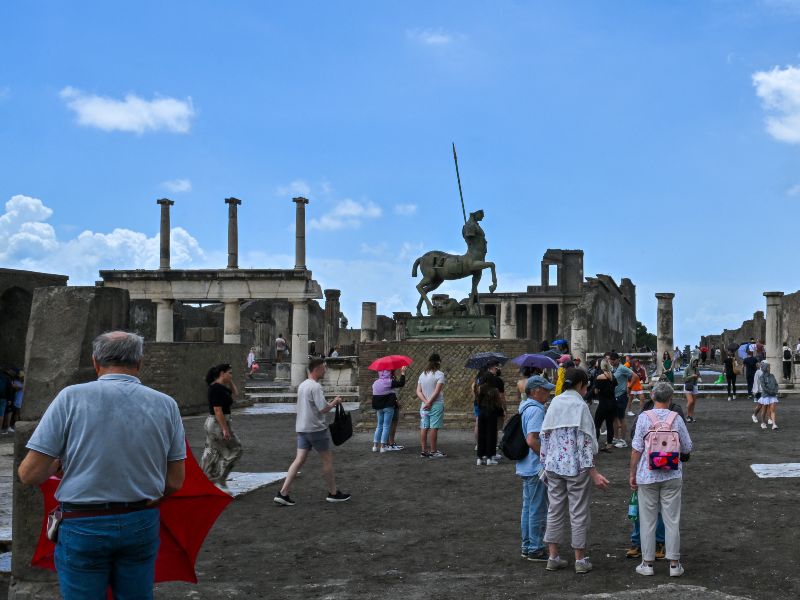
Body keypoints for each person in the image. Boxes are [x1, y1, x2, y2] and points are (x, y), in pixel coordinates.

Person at [18, 331, 186, 600]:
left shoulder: (70, 398)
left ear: (95, 362)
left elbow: (29, 474)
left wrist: (59, 463)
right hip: (139, 519)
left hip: (83, 521)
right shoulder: (166, 405)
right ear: (139, 362)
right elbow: (176, 481)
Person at [540, 368, 610, 574]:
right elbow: (585, 442)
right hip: (576, 467)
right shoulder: (580, 406)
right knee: (578, 512)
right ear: (580, 385)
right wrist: (593, 472)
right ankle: (580, 560)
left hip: (553, 465)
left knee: (554, 510)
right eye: (586, 386)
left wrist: (544, 463)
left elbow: (545, 435)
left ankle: (553, 557)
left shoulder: (554, 403)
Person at [629, 382, 693, 578]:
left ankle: (647, 563)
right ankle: (674, 563)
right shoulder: (677, 418)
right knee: (671, 519)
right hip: (672, 474)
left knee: (647, 520)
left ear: (652, 397)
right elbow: (687, 447)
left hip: (647, 474)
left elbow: (636, 449)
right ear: (671, 398)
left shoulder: (643, 418)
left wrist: (632, 474)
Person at [274, 358, 350, 505]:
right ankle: (333, 493)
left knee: (299, 459)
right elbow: (323, 408)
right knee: (327, 460)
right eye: (323, 368)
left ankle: (283, 492)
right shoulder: (315, 387)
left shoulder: (302, 385)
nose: (325, 371)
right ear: (317, 369)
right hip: (315, 429)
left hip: (302, 428)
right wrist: (336, 401)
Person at [517, 375, 554, 561]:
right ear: (535, 391)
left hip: (525, 464)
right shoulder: (537, 411)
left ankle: (528, 545)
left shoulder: (524, 408)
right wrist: (546, 457)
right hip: (535, 466)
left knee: (528, 507)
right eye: (545, 389)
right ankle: (535, 547)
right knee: (537, 508)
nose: (548, 392)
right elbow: (532, 440)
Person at [201, 363, 243, 490]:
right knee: (236, 449)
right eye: (229, 373)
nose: (231, 375)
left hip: (217, 423)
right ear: (222, 373)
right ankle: (220, 479)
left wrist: (230, 381)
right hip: (217, 423)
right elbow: (217, 410)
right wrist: (225, 429)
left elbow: (235, 393)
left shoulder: (222, 387)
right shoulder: (215, 389)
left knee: (212, 452)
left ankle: (205, 480)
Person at [417, 353, 446, 458]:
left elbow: (418, 391)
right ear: (438, 362)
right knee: (434, 427)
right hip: (436, 404)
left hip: (424, 406)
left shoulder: (422, 374)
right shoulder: (440, 374)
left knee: (424, 427)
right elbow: (437, 391)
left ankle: (424, 450)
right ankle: (433, 451)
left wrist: (425, 401)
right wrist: (430, 402)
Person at [371, 367, 406, 452]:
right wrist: (403, 373)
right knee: (386, 426)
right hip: (388, 407)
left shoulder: (375, 383)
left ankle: (375, 446)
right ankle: (383, 447)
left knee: (379, 426)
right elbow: (401, 383)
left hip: (379, 408)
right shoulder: (389, 382)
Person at [609, 353, 638, 448]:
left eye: (613, 359)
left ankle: (623, 440)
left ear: (618, 359)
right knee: (614, 417)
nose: (611, 361)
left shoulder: (622, 368)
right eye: (610, 360)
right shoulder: (612, 368)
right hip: (613, 396)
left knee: (621, 417)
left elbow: (635, 376)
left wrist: (629, 387)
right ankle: (616, 437)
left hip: (621, 395)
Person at [475, 374, 503, 466]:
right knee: (491, 435)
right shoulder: (495, 390)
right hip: (491, 413)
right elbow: (498, 404)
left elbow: (477, 401)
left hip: (482, 412)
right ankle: (489, 458)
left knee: (481, 434)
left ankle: (479, 457)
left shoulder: (480, 388)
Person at [593, 363, 616, 452]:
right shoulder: (613, 377)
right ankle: (609, 445)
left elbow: (595, 391)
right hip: (613, 403)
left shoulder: (599, 377)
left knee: (597, 425)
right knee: (610, 425)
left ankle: (595, 443)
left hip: (603, 404)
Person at [754, 362, 779, 431]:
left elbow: (776, 384)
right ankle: (763, 422)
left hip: (772, 395)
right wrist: (770, 391)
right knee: (764, 410)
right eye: (768, 367)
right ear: (765, 368)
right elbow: (763, 387)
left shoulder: (772, 376)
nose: (770, 368)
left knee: (773, 410)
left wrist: (775, 390)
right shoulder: (762, 377)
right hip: (765, 395)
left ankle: (774, 424)